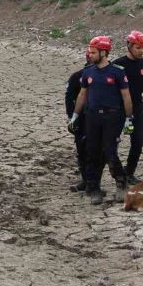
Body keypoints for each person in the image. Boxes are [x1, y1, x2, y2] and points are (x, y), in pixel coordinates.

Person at [69, 36, 133, 205]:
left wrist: (129, 118)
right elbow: (82, 94)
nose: (90, 55)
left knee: (110, 152)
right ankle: (94, 188)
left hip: (112, 117)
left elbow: (126, 96)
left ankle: (121, 183)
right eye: (89, 51)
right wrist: (75, 116)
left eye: (93, 52)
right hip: (92, 117)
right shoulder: (88, 71)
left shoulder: (117, 72)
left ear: (104, 52)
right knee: (92, 152)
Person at [112, 30, 143, 185]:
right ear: (129, 46)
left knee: (137, 142)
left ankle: (129, 172)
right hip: (118, 111)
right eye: (138, 47)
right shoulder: (118, 64)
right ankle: (118, 174)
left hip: (137, 110)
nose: (141, 51)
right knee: (113, 143)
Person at [65, 50, 91, 192]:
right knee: (82, 150)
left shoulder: (109, 74)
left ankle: (94, 183)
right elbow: (69, 98)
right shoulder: (77, 77)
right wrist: (71, 118)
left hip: (99, 119)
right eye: (90, 55)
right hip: (81, 118)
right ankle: (85, 181)